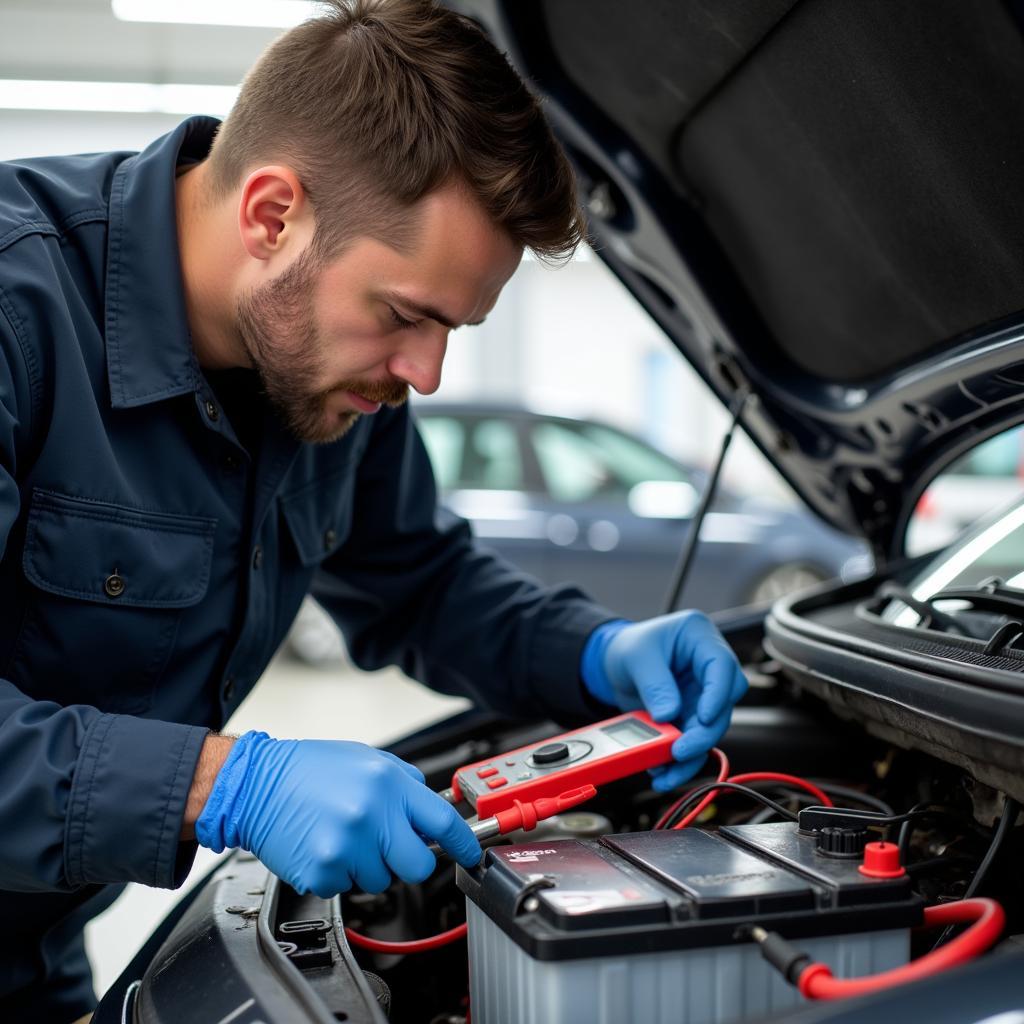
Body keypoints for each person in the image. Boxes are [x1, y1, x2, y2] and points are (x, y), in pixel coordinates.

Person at [0, 1, 748, 1019]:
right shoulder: (18, 313)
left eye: (454, 328)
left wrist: (591, 650)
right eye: (405, 315)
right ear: (273, 215)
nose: (426, 373)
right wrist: (221, 784)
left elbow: (419, 582)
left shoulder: (327, 367)